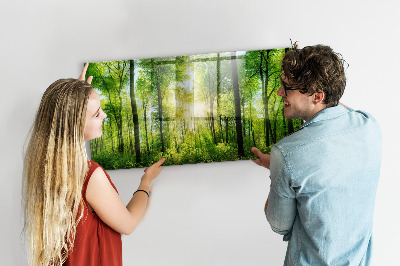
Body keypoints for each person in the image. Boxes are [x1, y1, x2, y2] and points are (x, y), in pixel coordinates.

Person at [22, 63, 165, 266]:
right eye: (97, 114)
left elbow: (64, 118)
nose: (104, 116)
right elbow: (128, 223)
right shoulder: (89, 175)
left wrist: (76, 96)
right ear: (75, 124)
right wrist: (146, 182)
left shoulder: (45, 167)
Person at [251, 45, 381, 265]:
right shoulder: (369, 125)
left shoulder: (286, 154)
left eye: (287, 87)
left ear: (317, 95)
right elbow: (335, 106)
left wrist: (278, 169)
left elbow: (279, 225)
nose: (280, 92)